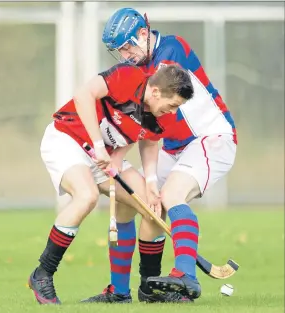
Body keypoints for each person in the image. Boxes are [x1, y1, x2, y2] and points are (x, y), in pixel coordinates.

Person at [82, 8, 237, 304]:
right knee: (136, 206)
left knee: (171, 196)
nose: (125, 54)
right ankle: (127, 290)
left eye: (128, 46)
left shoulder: (171, 49)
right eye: (119, 50)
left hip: (210, 138)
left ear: (143, 34)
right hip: (172, 146)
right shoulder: (140, 70)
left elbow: (150, 107)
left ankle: (184, 276)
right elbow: (148, 121)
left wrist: (120, 153)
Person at [27, 62, 194, 304]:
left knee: (153, 207)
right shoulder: (127, 76)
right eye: (172, 105)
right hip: (68, 140)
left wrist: (150, 182)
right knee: (86, 196)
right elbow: (84, 94)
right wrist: (97, 145)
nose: (173, 111)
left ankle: (146, 287)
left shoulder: (162, 113)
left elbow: (149, 142)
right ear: (156, 92)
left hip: (105, 156)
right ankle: (42, 273)